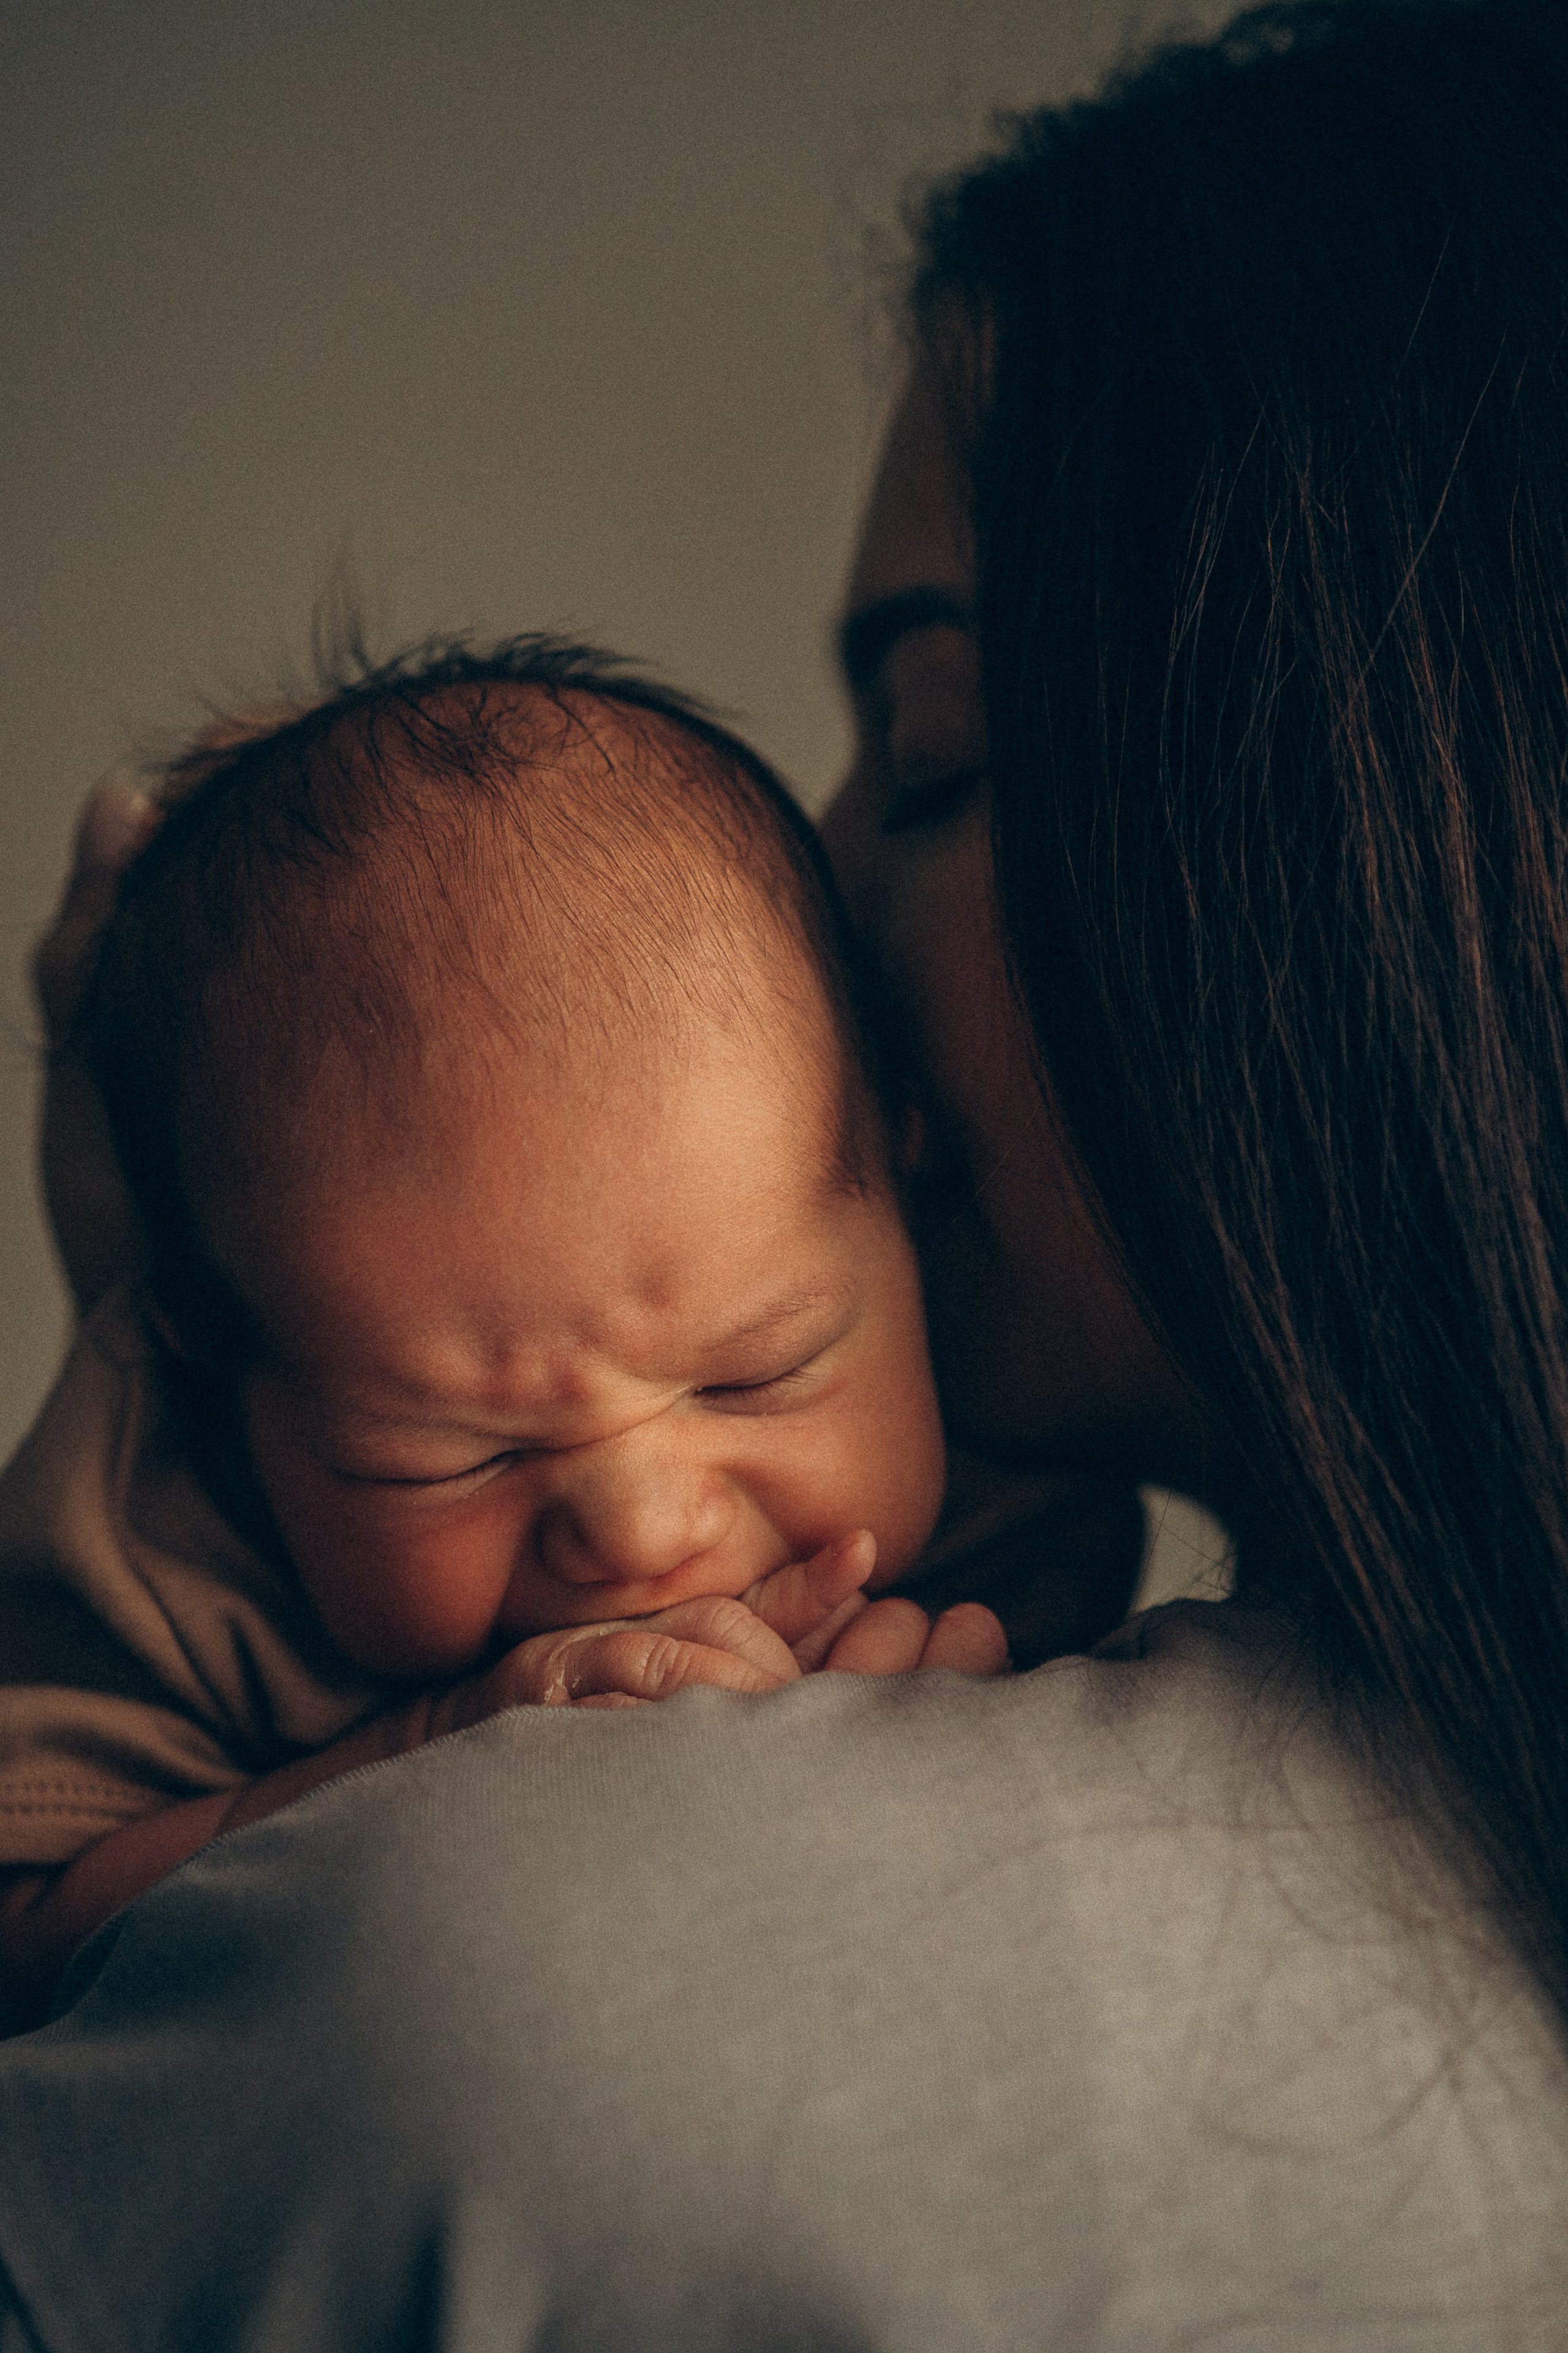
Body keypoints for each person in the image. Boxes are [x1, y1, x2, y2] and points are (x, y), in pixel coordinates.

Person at [1, 1, 1566, 2344]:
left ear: (1359, 847)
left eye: (923, 756)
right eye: (461, 1428)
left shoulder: (487, 1982)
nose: (818, 902)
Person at [0, 638, 1027, 2032]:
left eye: (754, 1372)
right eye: (455, 1454)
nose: (640, 1525)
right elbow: (31, 1947)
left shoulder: (1008, 1445)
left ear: (905, 1196)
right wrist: (427, 1755)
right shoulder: (163, 1549)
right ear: (216, 1375)